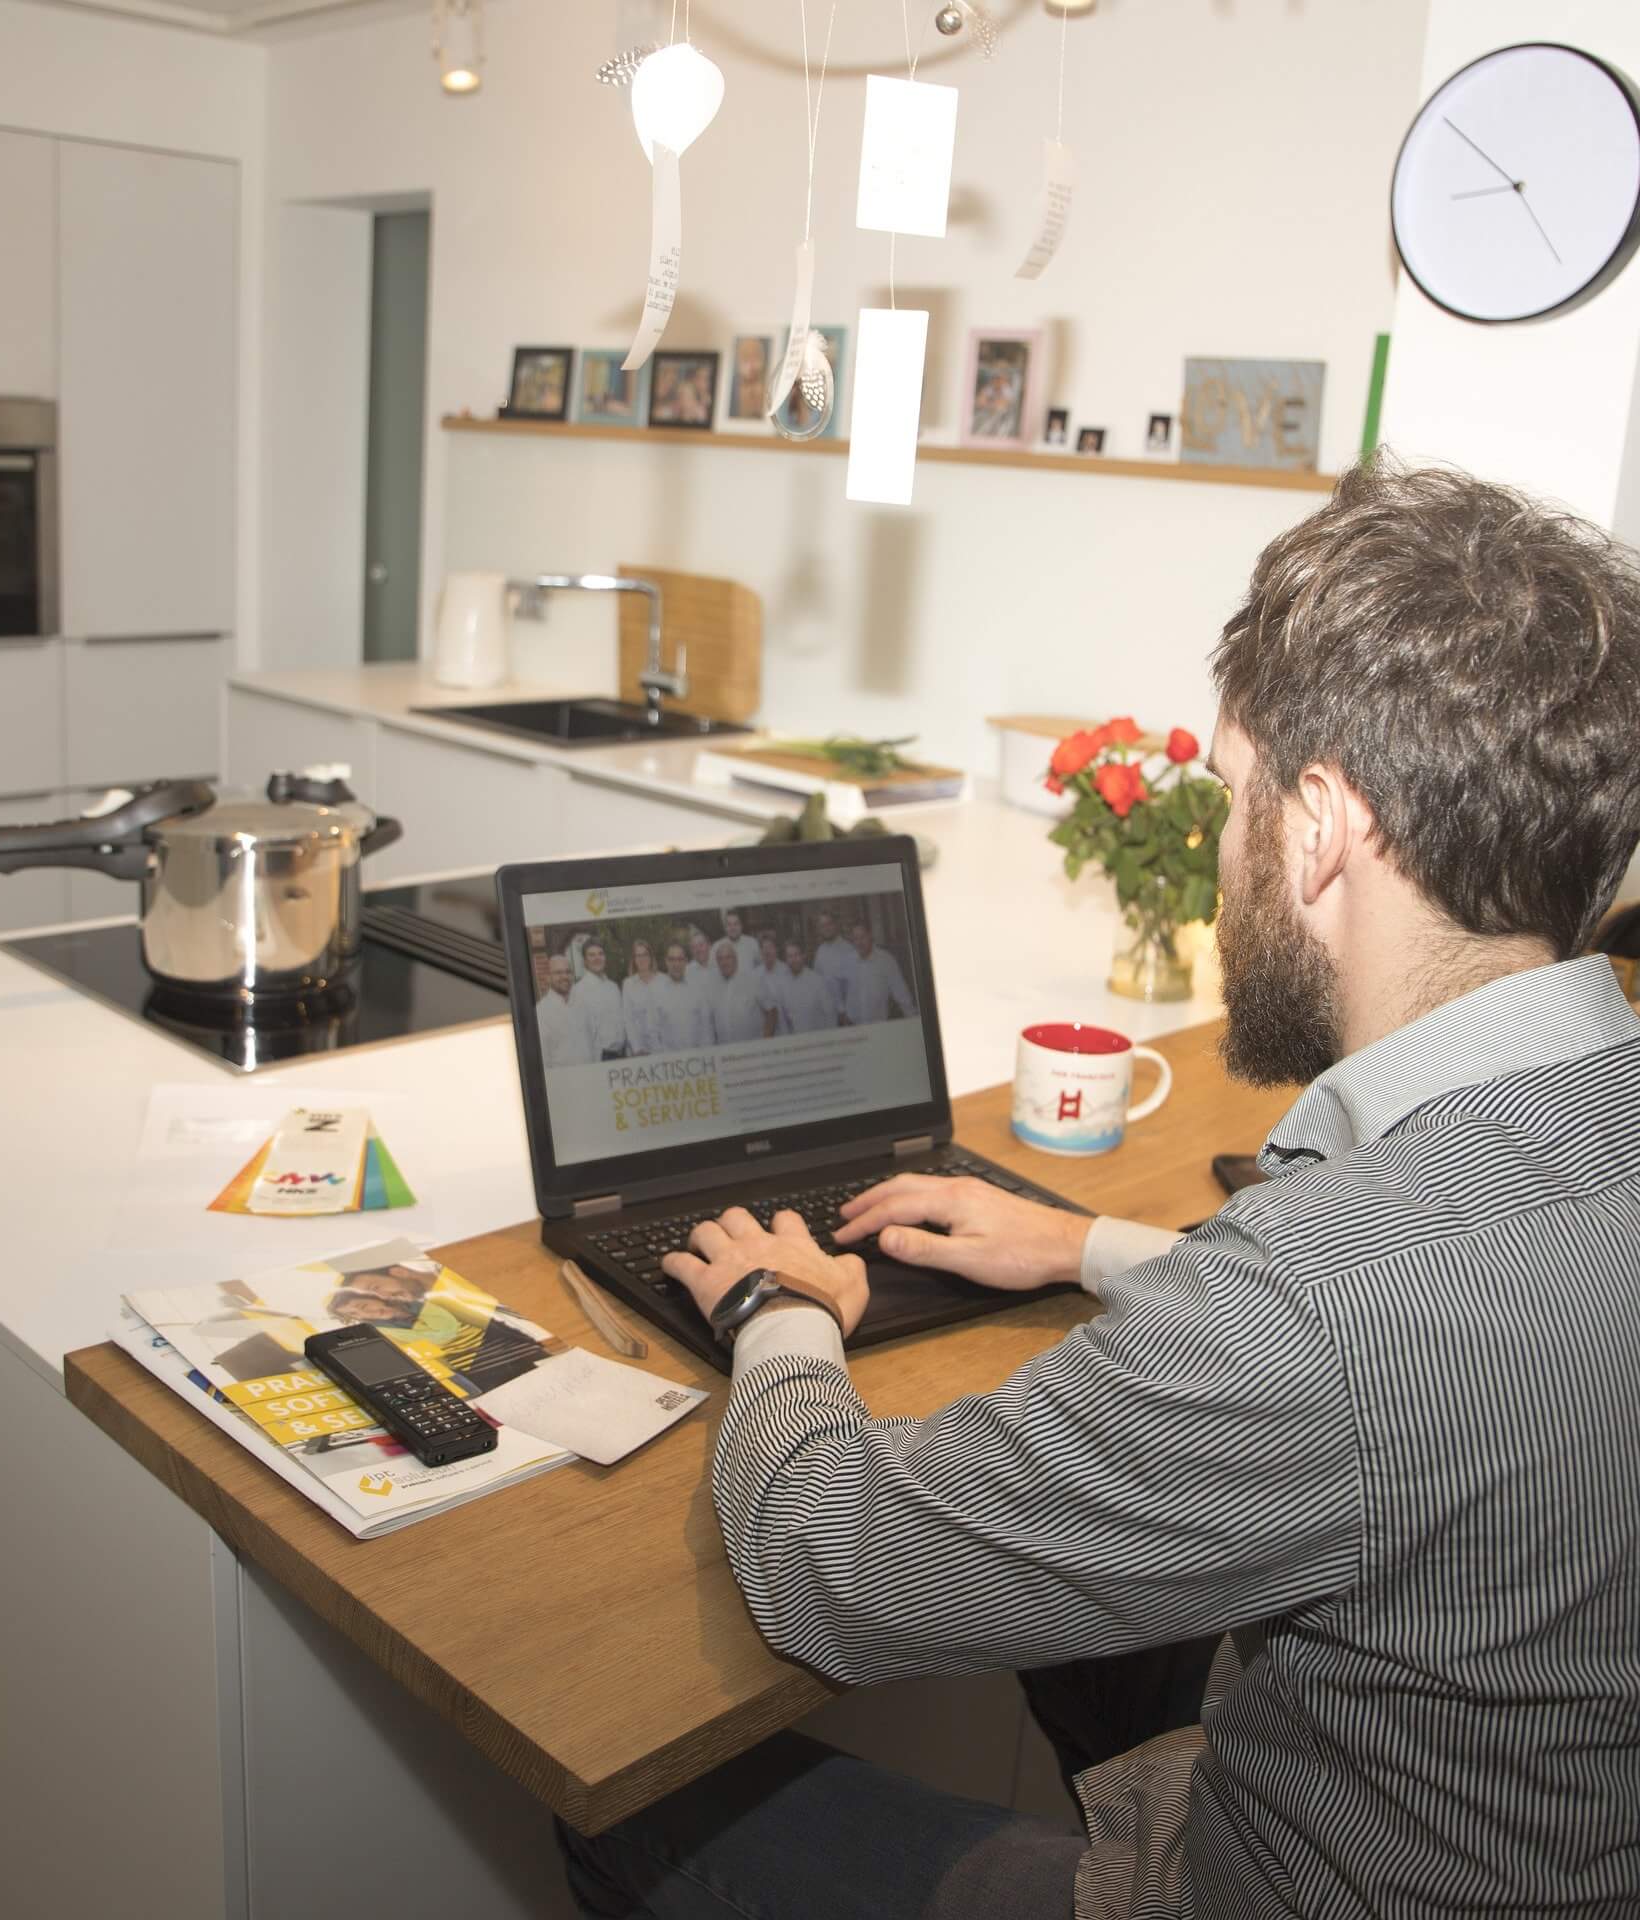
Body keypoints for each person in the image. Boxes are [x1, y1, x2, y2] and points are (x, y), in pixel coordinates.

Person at [557, 458, 1640, 1918]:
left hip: (1288, 1880)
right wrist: (1093, 1245)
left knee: (619, 1790)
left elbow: (829, 1565)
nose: (1222, 844)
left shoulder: (1310, 1301)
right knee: (1081, 1632)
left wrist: (779, 1312)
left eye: (1231, 791)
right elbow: (1404, 1338)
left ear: (1320, 828)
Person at [839, 920, 917, 1025]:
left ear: (870, 936)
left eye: (862, 937)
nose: (859, 942)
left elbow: (901, 993)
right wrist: (843, 1012)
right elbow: (841, 989)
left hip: (878, 1025)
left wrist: (913, 1020)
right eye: (855, 939)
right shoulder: (848, 961)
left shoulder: (886, 960)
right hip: (853, 1026)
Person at [572, 938, 630, 1061]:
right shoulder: (578, 991)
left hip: (623, 1054)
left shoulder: (613, 987)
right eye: (592, 955)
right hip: (601, 1057)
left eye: (600, 954)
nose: (597, 958)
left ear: (605, 958)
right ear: (585, 961)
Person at [653, 938, 714, 1051]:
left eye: (680, 959)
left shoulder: (698, 990)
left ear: (686, 961)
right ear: (666, 961)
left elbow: (707, 1029)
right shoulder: (656, 992)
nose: (676, 964)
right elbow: (653, 1033)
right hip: (668, 1061)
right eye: (672, 959)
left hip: (697, 1058)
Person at [772, 937, 838, 1034]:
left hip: (819, 1039)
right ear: (785, 959)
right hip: (796, 1041)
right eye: (790, 956)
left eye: (796, 955)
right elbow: (782, 1021)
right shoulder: (781, 984)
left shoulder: (817, 980)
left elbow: (830, 1014)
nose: (793, 959)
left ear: (804, 956)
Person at [709, 938, 768, 1045]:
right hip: (725, 1052)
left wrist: (765, 1044)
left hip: (752, 1050)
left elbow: (771, 1012)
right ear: (717, 962)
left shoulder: (752, 980)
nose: (724, 962)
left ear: (736, 959)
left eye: (728, 957)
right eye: (720, 959)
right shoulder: (713, 987)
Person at [534, 953, 588, 1067]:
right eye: (558, 973)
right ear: (548, 977)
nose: (564, 977)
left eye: (568, 972)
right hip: (563, 1080)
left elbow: (593, 1042)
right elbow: (543, 1059)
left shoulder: (583, 1005)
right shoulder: (541, 1011)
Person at [620, 937, 664, 1055]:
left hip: (664, 1048)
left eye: (645, 954)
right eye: (638, 955)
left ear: (651, 957)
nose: (642, 959)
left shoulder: (663, 980)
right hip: (640, 1050)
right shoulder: (628, 984)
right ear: (634, 959)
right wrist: (637, 1048)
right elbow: (628, 1019)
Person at [811, 910, 857, 998]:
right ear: (820, 929)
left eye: (829, 924)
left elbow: (855, 984)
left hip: (847, 1007)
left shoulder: (848, 949)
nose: (826, 928)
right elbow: (816, 981)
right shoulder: (820, 951)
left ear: (835, 925)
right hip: (827, 1007)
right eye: (823, 926)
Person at [720, 909, 761, 974]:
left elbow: (761, 968)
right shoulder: (717, 946)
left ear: (741, 926)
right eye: (729, 925)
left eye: (736, 924)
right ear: (725, 928)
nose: (732, 928)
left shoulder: (752, 943)